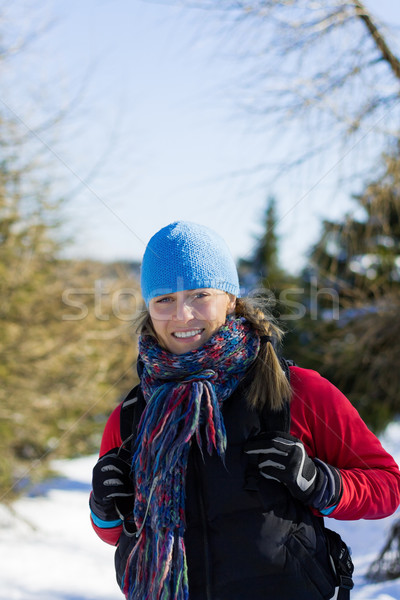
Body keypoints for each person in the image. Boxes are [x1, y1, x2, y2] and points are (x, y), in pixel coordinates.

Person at [89, 221, 400, 600]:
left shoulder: (297, 391)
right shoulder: (132, 415)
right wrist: (104, 505)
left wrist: (321, 483)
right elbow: (114, 533)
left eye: (199, 295)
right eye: (164, 299)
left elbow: (387, 487)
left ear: (231, 299)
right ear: (150, 309)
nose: (183, 315)